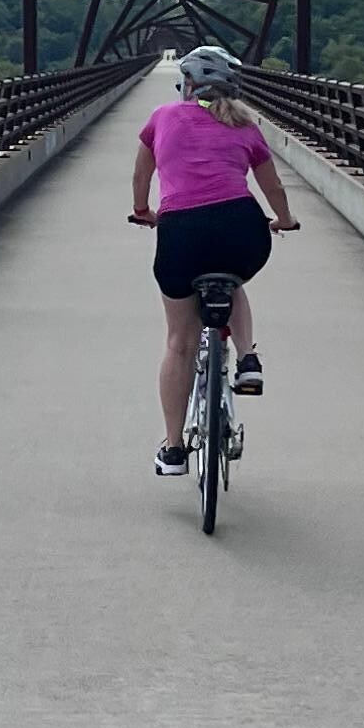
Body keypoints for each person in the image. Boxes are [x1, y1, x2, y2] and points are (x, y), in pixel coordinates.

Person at [128, 43, 297, 477]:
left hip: (181, 230)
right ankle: (246, 359)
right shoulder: (246, 125)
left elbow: (141, 175)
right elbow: (273, 186)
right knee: (232, 275)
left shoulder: (163, 117)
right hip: (243, 227)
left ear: (187, 85)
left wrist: (144, 212)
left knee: (179, 343)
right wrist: (284, 219)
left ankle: (173, 450)